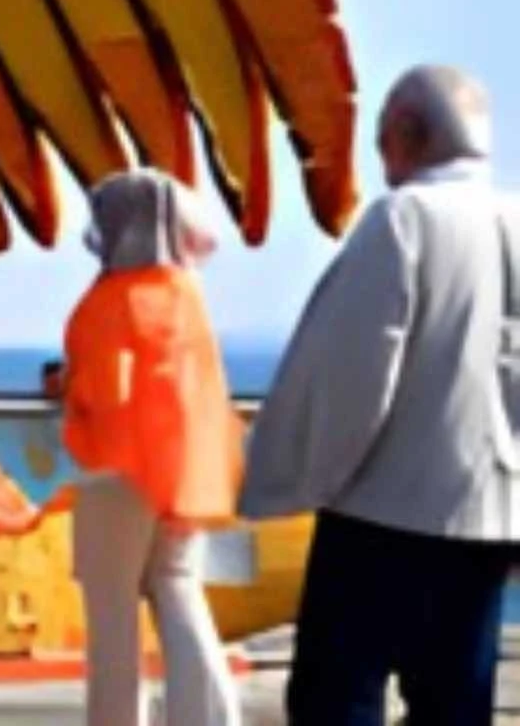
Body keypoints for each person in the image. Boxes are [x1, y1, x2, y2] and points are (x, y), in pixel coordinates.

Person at [242, 65, 520, 725]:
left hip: (384, 510)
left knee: (337, 696)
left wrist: (306, 477)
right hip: (490, 511)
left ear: (405, 133)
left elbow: (356, 372)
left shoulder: (405, 219)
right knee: (455, 702)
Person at [60, 171, 242, 726]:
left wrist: (68, 386)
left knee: (112, 614)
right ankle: (210, 715)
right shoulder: (184, 292)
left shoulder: (113, 299)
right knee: (179, 591)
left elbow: (105, 391)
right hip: (182, 470)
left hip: (115, 473)